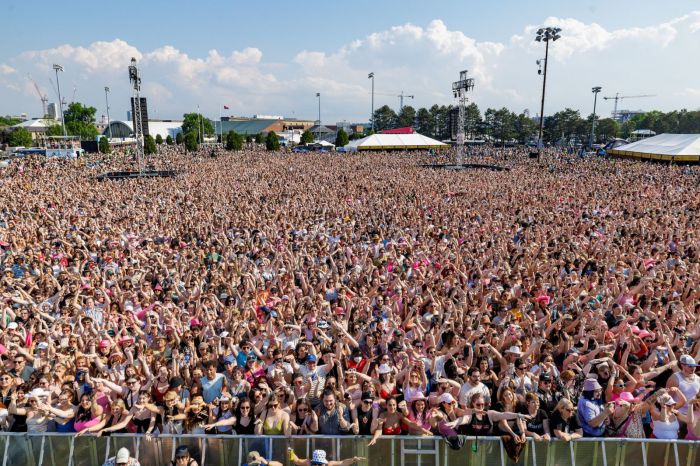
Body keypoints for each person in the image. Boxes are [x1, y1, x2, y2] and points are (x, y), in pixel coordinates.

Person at [288, 448, 364, 466]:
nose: (317, 465)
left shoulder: (329, 464)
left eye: (320, 464)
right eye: (315, 463)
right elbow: (297, 461)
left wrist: (353, 460)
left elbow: (343, 463)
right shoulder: (309, 463)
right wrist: (290, 452)